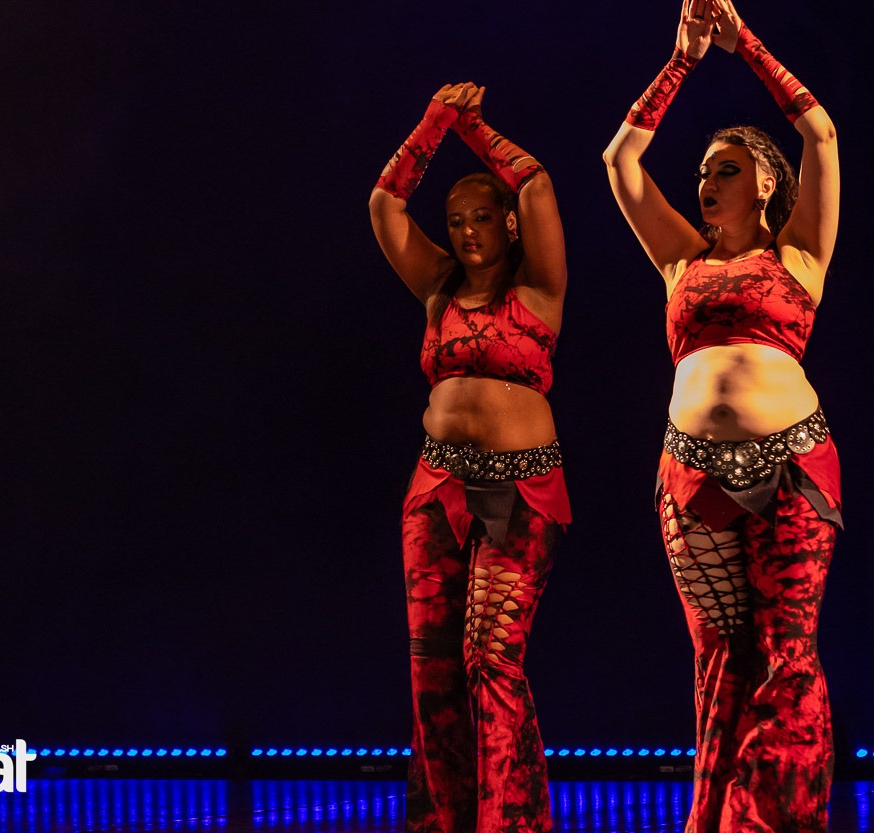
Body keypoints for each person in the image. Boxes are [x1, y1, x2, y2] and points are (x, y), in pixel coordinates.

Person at [603, 1, 842, 830]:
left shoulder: (800, 253)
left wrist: (746, 47)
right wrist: (682, 60)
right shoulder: (680, 259)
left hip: (792, 467)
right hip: (691, 474)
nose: (707, 181)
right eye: (704, 171)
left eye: (726, 169)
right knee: (719, 661)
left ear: (766, 181)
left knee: (786, 655)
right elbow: (621, 160)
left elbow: (822, 135)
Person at [370, 81, 569, 833]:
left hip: (522, 495)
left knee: (491, 656)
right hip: (436, 492)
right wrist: (430, 124)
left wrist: (473, 129)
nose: (466, 232)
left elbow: (537, 182)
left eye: (481, 216)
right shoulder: (437, 289)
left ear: (509, 224)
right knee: (433, 671)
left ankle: (510, 823)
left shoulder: (540, 287)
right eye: (454, 221)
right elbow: (386, 206)